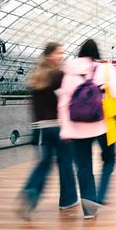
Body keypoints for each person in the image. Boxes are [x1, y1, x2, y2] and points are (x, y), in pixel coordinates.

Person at [57, 39, 116, 218]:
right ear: (97, 52)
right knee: (109, 160)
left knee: (84, 168)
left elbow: (63, 103)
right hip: (103, 125)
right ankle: (101, 194)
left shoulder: (69, 72)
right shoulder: (106, 69)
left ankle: (89, 209)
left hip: (77, 127)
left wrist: (65, 129)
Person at [17, 42, 79, 220]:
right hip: (58, 127)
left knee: (44, 163)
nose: (61, 56)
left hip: (40, 129)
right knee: (66, 163)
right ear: (50, 55)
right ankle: (68, 200)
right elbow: (65, 102)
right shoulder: (58, 76)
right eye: (59, 53)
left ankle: (31, 190)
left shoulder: (36, 78)